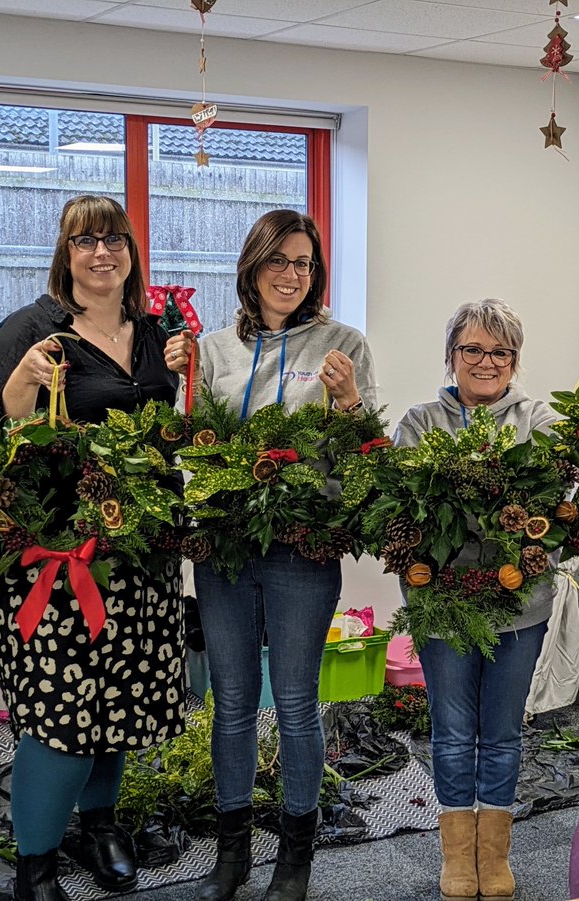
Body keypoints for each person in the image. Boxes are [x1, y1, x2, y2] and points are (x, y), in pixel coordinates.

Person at [0, 196, 190, 899]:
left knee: (117, 705)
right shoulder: (31, 331)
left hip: (139, 558)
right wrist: (19, 391)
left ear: (131, 250)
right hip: (55, 565)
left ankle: (97, 826)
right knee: (61, 715)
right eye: (85, 239)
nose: (102, 252)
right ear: (65, 253)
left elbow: (167, 430)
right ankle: (33, 865)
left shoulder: (157, 328)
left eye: (114, 238)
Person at [193, 209, 376, 901]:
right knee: (231, 699)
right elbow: (191, 445)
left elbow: (366, 457)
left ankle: (295, 857)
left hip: (303, 549)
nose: (292, 275)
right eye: (279, 261)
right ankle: (232, 854)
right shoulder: (213, 350)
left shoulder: (343, 344)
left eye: (304, 264)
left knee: (297, 700)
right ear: (252, 267)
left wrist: (350, 400)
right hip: (225, 549)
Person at [393, 298, 557, 901]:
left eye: (499, 352)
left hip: (520, 607)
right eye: (473, 349)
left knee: (504, 731)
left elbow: (559, 499)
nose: (486, 361)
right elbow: (402, 511)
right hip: (442, 604)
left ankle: (495, 855)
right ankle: (457, 857)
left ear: (514, 362)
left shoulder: (538, 420)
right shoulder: (418, 422)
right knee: (454, 730)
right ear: (451, 356)